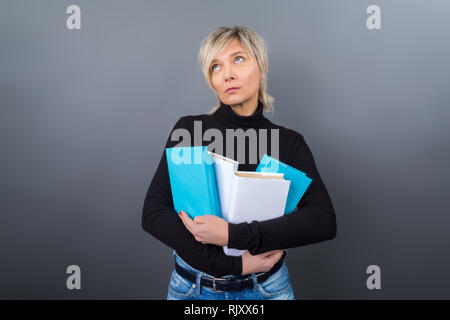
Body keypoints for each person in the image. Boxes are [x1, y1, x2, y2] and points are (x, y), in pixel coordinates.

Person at [141, 25, 337, 300]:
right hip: (193, 290)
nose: (227, 74)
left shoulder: (288, 142)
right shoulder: (191, 130)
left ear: (263, 65)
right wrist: (232, 264)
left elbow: (322, 222)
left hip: (266, 289)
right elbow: (153, 214)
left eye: (238, 59)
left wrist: (232, 235)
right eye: (215, 67)